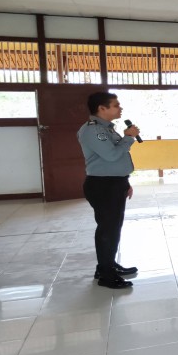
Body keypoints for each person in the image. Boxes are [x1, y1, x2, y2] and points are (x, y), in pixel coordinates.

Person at [77, 92, 139, 289]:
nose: (120, 108)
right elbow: (112, 155)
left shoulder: (106, 129)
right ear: (102, 108)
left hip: (114, 182)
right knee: (108, 229)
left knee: (113, 228)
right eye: (116, 105)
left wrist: (125, 182)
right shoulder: (92, 130)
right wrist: (128, 137)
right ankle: (106, 275)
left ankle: (107, 265)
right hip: (103, 185)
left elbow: (115, 159)